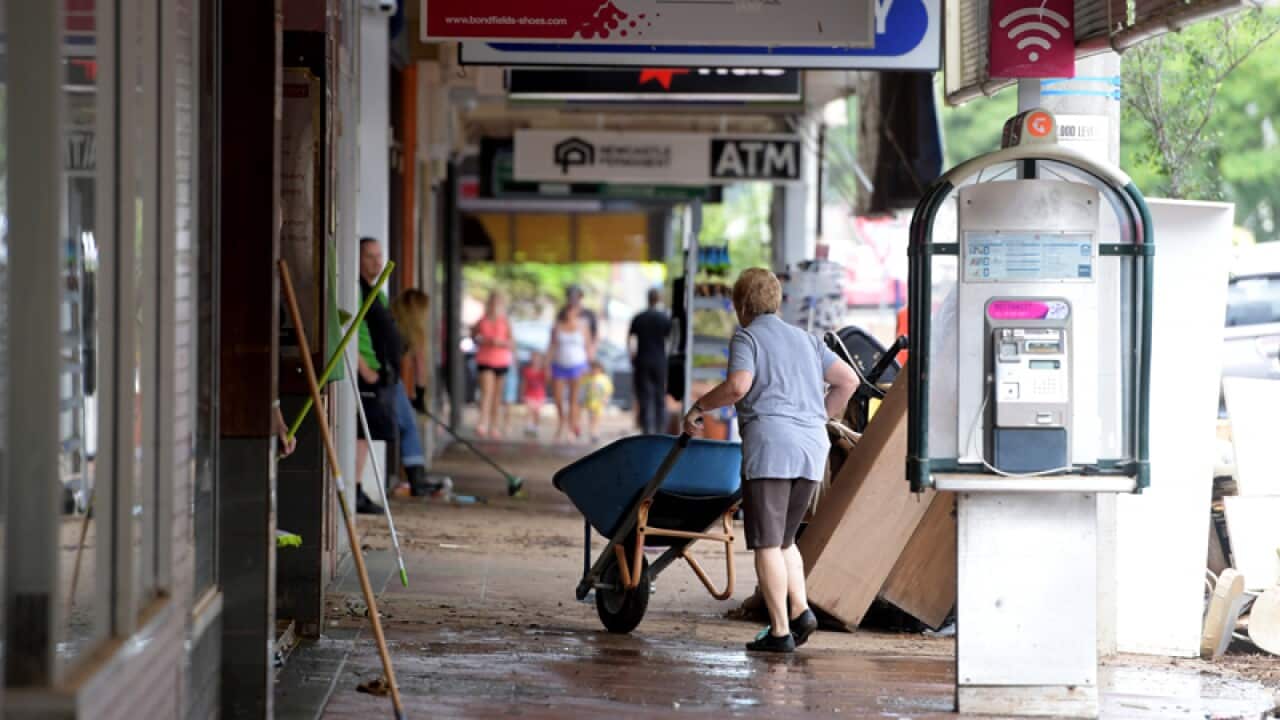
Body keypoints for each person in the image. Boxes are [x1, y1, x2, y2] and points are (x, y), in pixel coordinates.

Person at [684, 268, 859, 653]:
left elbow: (738, 386)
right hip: (812, 449)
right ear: (776, 302)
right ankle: (800, 611)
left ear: (742, 305)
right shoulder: (808, 340)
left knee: (765, 543)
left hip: (771, 449)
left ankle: (779, 631)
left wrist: (699, 408)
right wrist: (819, 418)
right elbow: (849, 381)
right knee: (784, 541)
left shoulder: (748, 336)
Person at [356, 238, 434, 505]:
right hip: (377, 374)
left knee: (398, 426)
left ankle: (416, 477)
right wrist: (420, 393)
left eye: (379, 256)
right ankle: (416, 480)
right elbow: (419, 364)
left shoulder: (380, 297)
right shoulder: (361, 293)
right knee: (399, 426)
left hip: (386, 375)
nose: (376, 262)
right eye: (370, 256)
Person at [628, 288, 672, 435]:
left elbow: (630, 338)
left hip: (642, 360)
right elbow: (671, 340)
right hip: (659, 361)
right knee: (660, 396)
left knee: (645, 396)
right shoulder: (664, 318)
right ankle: (661, 430)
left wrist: (632, 354)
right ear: (658, 299)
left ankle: (647, 430)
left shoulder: (639, 317)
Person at [472, 291, 513, 438]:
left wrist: (500, 343)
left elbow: (511, 342)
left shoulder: (505, 321)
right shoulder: (481, 320)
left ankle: (494, 425)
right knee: (487, 392)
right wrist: (484, 340)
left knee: (497, 396)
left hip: (501, 360)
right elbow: (474, 336)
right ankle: (482, 422)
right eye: (493, 302)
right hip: (485, 360)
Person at [549, 305, 593, 442]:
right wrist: (547, 364)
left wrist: (588, 365)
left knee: (574, 400)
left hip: (578, 365)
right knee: (558, 398)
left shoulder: (583, 326)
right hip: (559, 364)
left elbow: (588, 346)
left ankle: (571, 428)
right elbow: (552, 346)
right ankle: (561, 421)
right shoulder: (557, 326)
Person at [583, 360, 614, 443]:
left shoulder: (604, 378)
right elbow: (582, 388)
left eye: (595, 369)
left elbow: (608, 389)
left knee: (596, 418)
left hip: (599, 402)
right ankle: (592, 432)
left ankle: (595, 432)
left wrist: (606, 398)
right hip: (589, 402)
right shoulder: (587, 378)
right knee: (591, 418)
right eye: (592, 369)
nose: (594, 371)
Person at [521, 351, 549, 439]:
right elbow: (524, 383)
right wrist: (522, 393)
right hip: (529, 394)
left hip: (540, 395)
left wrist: (546, 368)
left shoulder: (543, 371)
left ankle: (536, 427)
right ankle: (529, 426)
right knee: (529, 411)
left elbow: (547, 381)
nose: (535, 360)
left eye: (537, 358)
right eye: (533, 358)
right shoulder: (527, 370)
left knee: (537, 412)